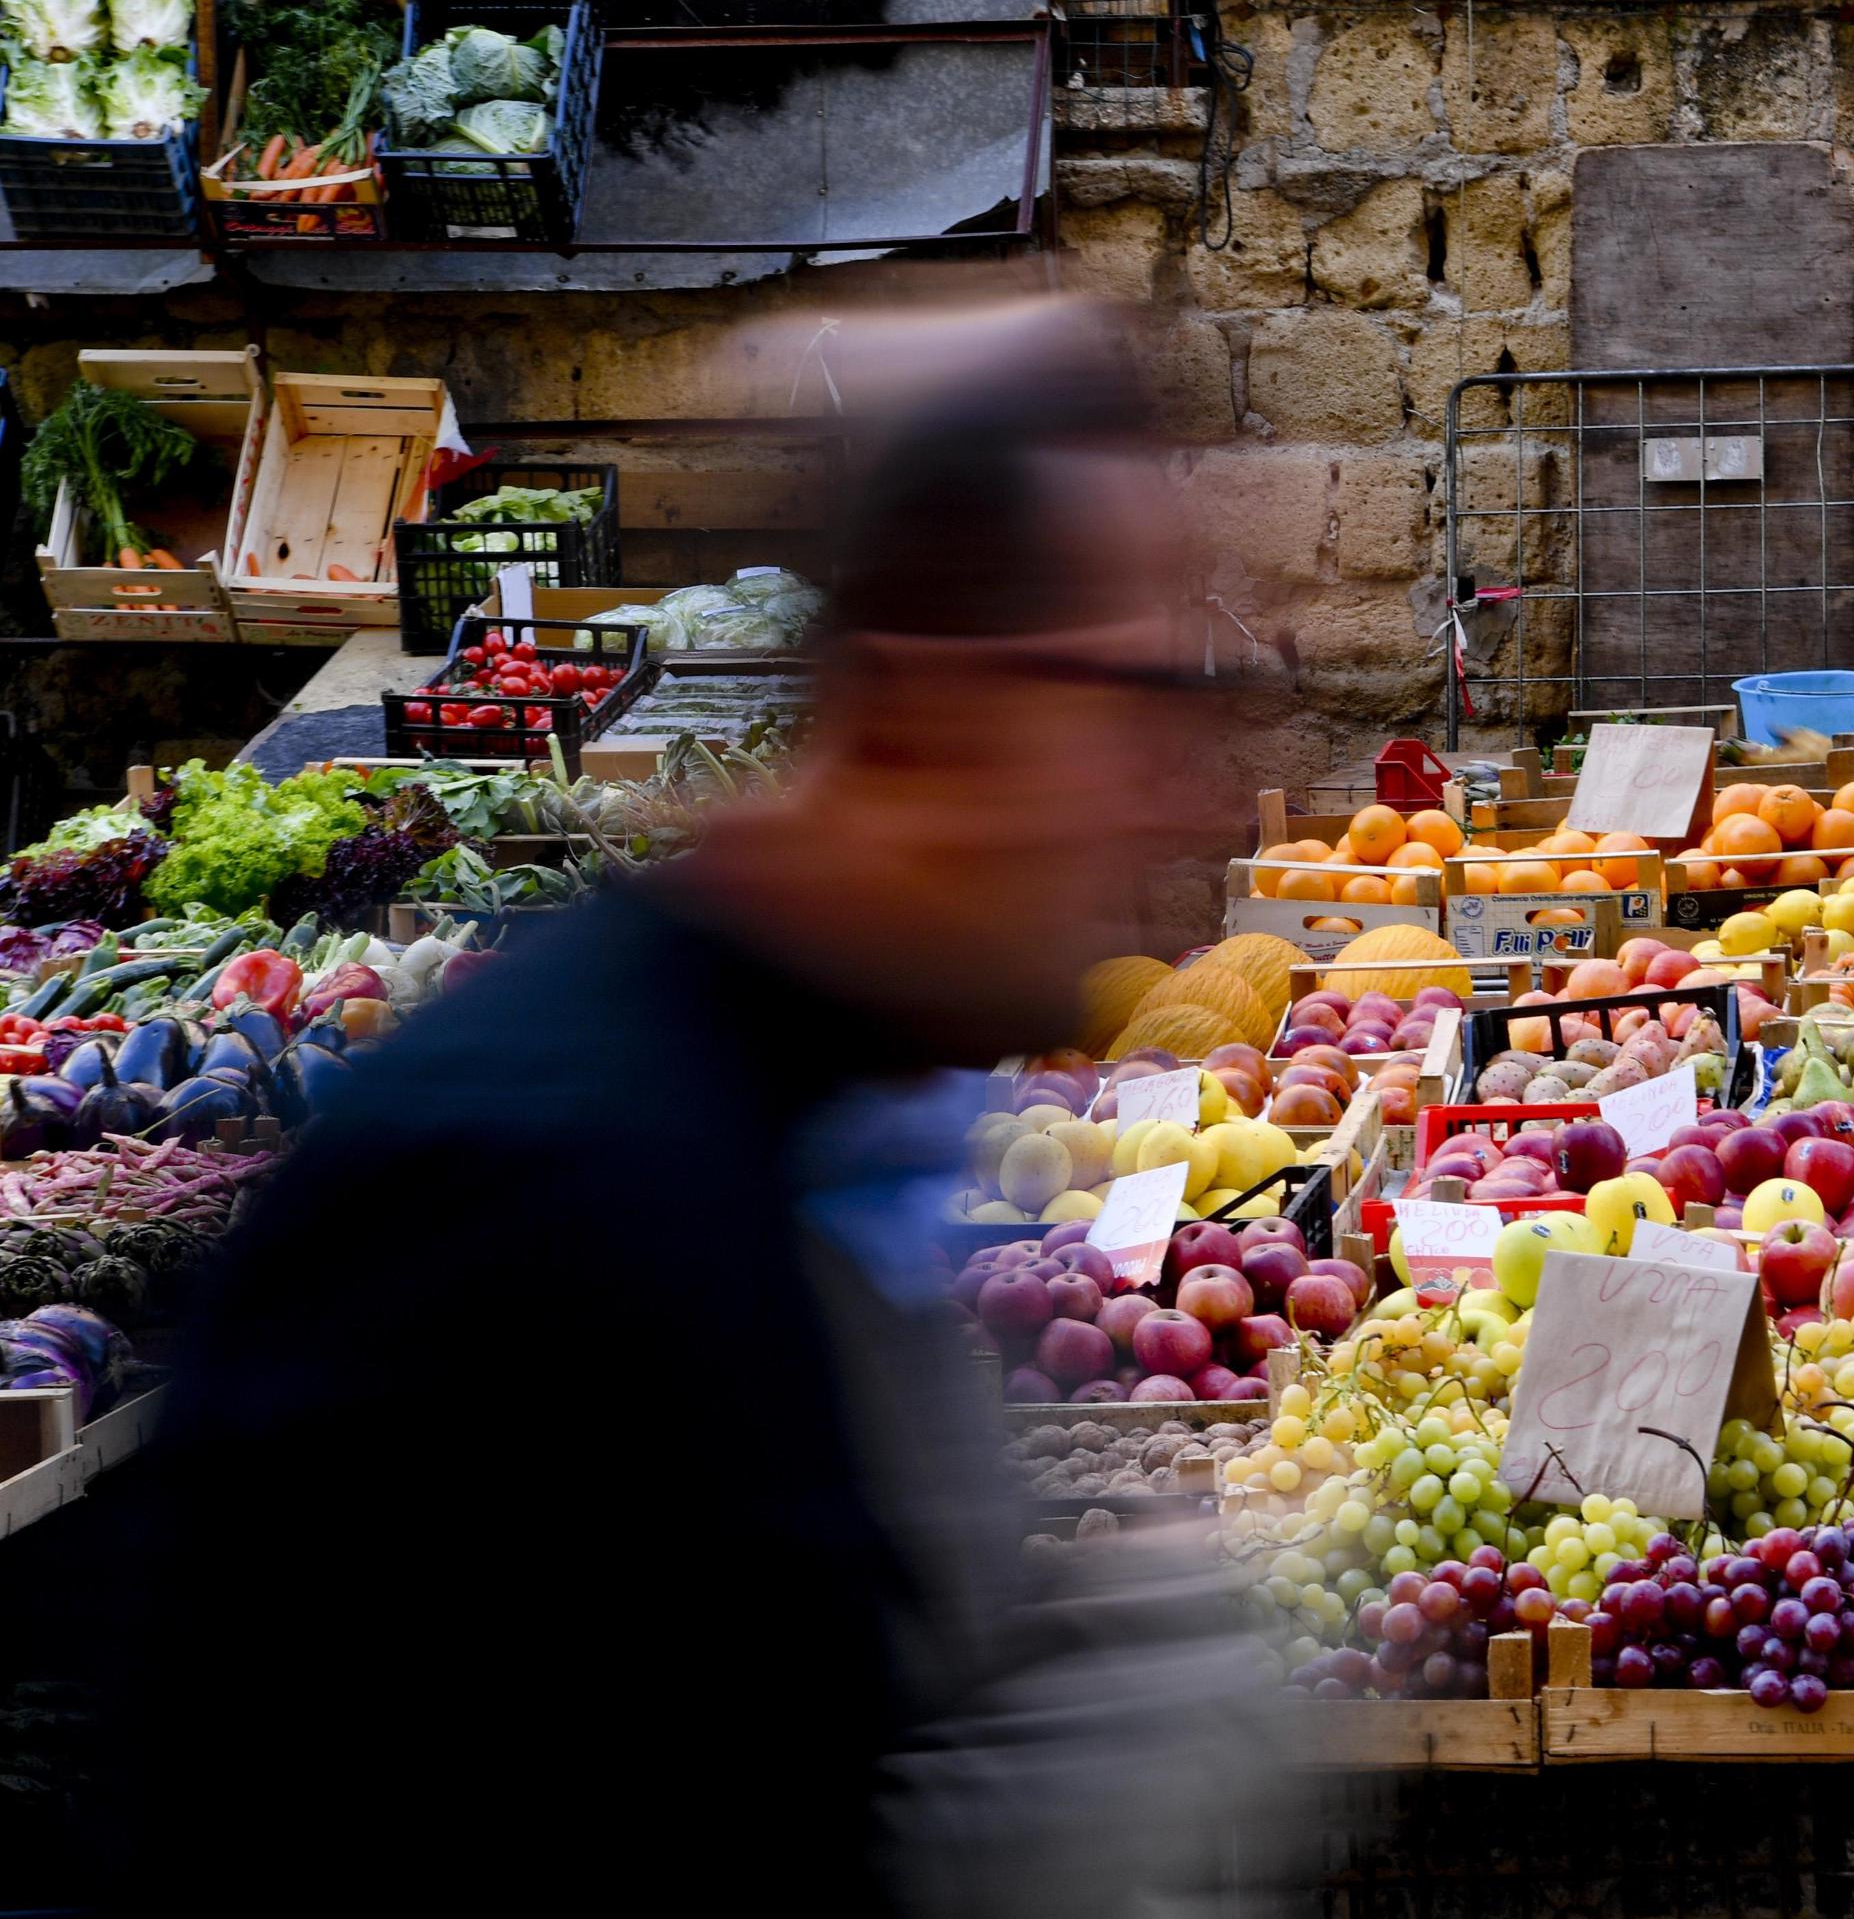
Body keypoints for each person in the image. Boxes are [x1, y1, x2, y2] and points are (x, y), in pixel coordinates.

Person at [116, 302, 1301, 1917]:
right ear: (927, 694)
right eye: (1132, 694)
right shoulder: (516, 1191)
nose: (1176, 788)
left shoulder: (829, 1109)